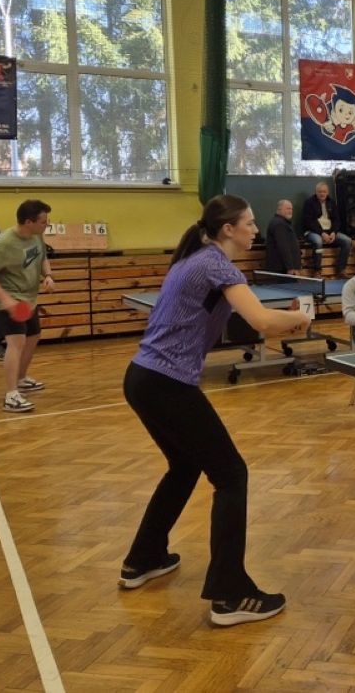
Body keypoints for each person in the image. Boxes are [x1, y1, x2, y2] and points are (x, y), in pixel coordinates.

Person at [120, 194, 312, 625]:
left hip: (142, 378)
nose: (255, 230)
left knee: (185, 466)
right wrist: (300, 319)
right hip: (166, 383)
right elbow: (262, 322)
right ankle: (230, 594)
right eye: (249, 223)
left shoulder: (195, 259)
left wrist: (283, 317)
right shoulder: (215, 264)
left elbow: (249, 315)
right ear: (228, 229)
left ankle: (144, 557)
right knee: (231, 475)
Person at [0, 199, 55, 413]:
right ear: (29, 222)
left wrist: (48, 276)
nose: (47, 225)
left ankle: (21, 378)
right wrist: (5, 300)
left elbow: (42, 257)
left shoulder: (36, 235)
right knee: (16, 341)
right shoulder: (3, 243)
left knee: (33, 336)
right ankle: (11, 395)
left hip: (28, 298)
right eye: (43, 222)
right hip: (8, 298)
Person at [299, 182, 352, 275]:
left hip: (330, 232)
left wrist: (334, 232)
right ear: (316, 192)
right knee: (318, 241)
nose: (322, 194)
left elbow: (337, 220)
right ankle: (317, 270)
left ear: (327, 192)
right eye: (320, 192)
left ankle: (341, 269)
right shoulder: (309, 203)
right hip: (313, 232)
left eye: (324, 191)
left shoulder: (332, 203)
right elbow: (309, 222)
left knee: (347, 241)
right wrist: (322, 233)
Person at [264, 200, 301, 274]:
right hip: (282, 269)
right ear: (279, 209)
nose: (290, 211)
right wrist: (290, 267)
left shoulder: (284, 223)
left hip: (285, 268)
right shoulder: (279, 224)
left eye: (291, 209)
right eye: (288, 208)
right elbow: (283, 247)